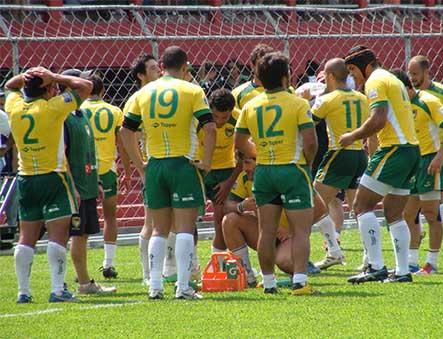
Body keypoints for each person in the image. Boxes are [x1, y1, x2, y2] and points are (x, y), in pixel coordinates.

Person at [120, 46, 216, 300]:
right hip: (183, 163)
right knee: (184, 228)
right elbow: (210, 126)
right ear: (185, 68)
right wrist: (206, 162)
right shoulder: (193, 90)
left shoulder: (143, 93)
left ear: (162, 67)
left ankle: (155, 287)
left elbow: (125, 131)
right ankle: (183, 287)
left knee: (158, 230)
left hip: (155, 165)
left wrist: (141, 166)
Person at [5, 67, 92, 303]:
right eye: (52, 87)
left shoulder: (13, 106)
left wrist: (28, 76)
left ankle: (23, 292)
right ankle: (57, 289)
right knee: (58, 234)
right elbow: (85, 87)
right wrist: (53, 76)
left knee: (26, 237)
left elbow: (9, 86)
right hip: (53, 177)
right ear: (48, 89)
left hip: (26, 178)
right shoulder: (53, 108)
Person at [235, 52, 318, 295]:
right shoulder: (298, 103)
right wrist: (307, 163)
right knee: (300, 230)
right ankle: (300, 282)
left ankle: (269, 282)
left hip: (264, 172)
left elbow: (239, 142)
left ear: (259, 77)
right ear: (286, 77)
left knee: (266, 231)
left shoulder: (250, 105)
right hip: (292, 169)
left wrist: (259, 154)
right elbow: (310, 141)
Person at [341, 45, 420, 284]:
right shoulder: (391, 79)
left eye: (353, 71)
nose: (353, 77)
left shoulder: (375, 81)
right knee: (394, 213)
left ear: (365, 66)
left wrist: (352, 136)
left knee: (361, 205)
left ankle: (375, 266)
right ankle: (403, 271)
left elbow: (378, 119)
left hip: (394, 149)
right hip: (411, 150)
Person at [223, 152, 330, 287]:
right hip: (267, 233)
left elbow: (321, 208)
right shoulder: (245, 176)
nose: (244, 168)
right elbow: (227, 205)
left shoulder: (290, 172)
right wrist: (241, 206)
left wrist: (293, 230)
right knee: (230, 220)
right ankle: (247, 277)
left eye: (248, 162)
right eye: (242, 163)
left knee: (285, 261)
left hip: (287, 236)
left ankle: (300, 270)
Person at [392, 69, 443, 275]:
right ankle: (411, 261)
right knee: (408, 214)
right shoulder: (402, 105)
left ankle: (432, 262)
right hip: (411, 162)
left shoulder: (428, 100)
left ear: (404, 87)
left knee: (431, 213)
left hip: (430, 161)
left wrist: (441, 156)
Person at [311, 58, 373, 270]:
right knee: (361, 209)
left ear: (329, 76)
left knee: (315, 202)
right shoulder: (362, 98)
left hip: (339, 153)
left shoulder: (327, 99)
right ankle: (370, 257)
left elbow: (309, 125)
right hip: (359, 156)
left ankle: (334, 251)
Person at [61, 69, 117, 294]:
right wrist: (72, 185)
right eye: (82, 80)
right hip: (76, 189)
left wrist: (96, 182)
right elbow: (63, 155)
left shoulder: (80, 114)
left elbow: (86, 152)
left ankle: (82, 280)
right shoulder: (64, 116)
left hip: (88, 185)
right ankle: (83, 283)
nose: (88, 83)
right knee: (76, 234)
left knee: (82, 234)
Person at [80, 74, 132, 279]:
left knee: (80, 218)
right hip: (107, 168)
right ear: (103, 91)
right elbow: (123, 144)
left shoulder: (78, 110)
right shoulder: (114, 111)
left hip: (84, 170)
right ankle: (108, 264)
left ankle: (80, 269)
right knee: (110, 216)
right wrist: (127, 172)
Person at [122, 53, 162, 286]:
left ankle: (168, 268)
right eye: (153, 68)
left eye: (159, 67)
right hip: (152, 166)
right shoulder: (137, 99)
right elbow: (125, 135)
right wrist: (139, 166)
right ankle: (147, 274)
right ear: (140, 75)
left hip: (165, 164)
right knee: (151, 222)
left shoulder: (163, 94)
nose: (158, 71)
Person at [198, 88, 242, 254]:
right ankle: (191, 264)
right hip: (202, 170)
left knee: (220, 216)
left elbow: (244, 153)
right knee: (189, 217)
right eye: (215, 116)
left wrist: (229, 181)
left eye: (224, 117)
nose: (219, 121)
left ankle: (219, 260)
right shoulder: (200, 120)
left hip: (226, 170)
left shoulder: (239, 118)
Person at [232, 44, 275, 110]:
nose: (266, 68)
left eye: (269, 64)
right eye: (261, 64)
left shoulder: (287, 90)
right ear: (252, 65)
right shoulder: (238, 94)